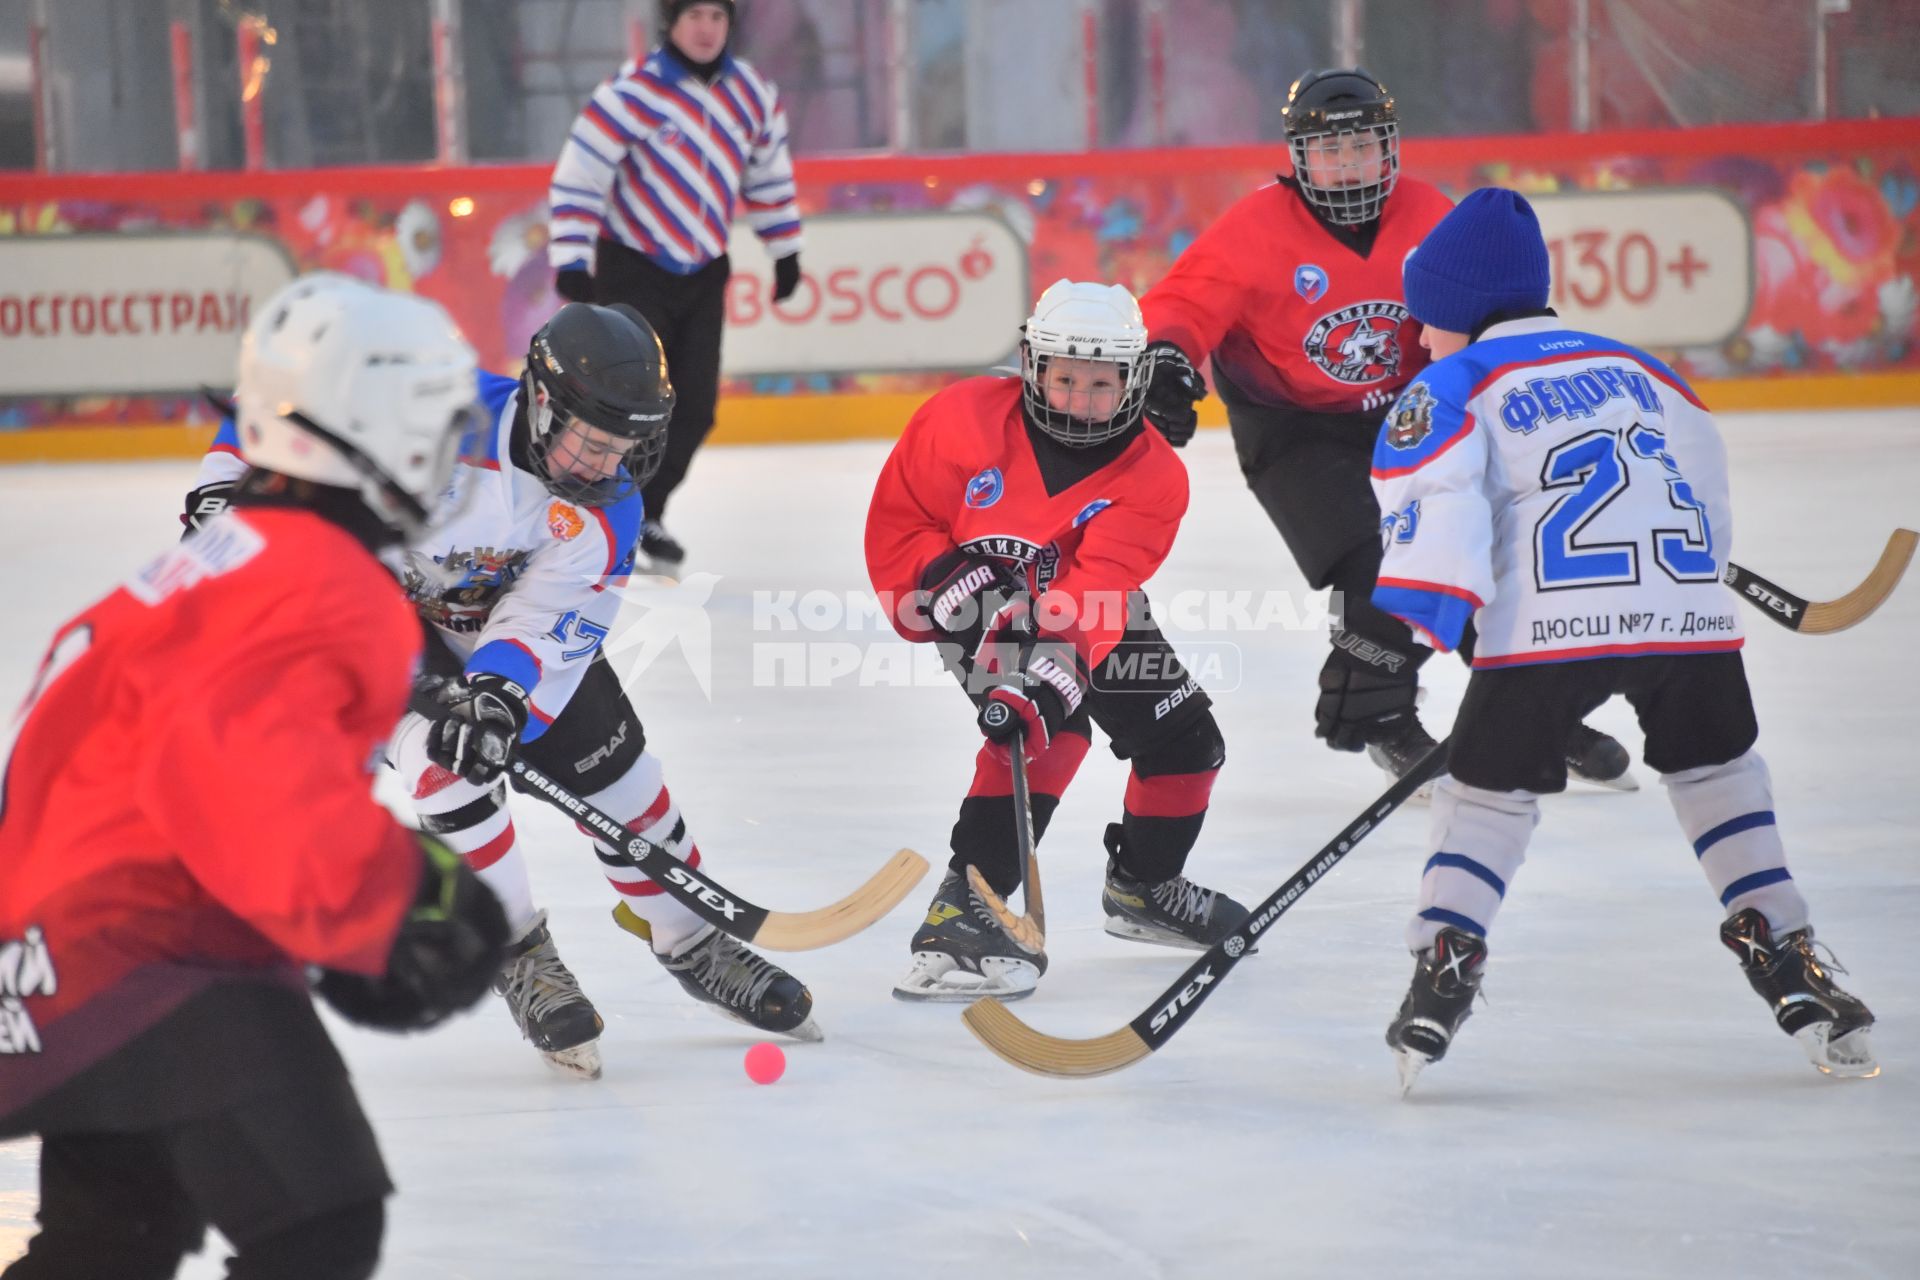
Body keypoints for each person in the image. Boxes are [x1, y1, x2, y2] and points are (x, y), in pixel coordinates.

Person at [0, 275, 509, 1279]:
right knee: (319, 1223)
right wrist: (389, 901)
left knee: (111, 1243)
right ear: (386, 425)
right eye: (440, 428)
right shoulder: (325, 577)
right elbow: (243, 769)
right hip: (152, 948)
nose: (454, 456)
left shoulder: (221, 559)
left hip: (54, 954)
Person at [183, 296, 818, 1081]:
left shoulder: (608, 505)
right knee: (443, 769)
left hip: (497, 641)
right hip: (372, 617)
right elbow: (280, 406)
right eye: (592, 440)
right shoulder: (435, 416)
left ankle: (691, 938)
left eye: (625, 445)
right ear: (543, 404)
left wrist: (498, 696)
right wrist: (224, 487)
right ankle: (519, 948)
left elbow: (543, 617)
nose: (606, 464)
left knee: (620, 780)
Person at [1366, 188, 1877, 1091]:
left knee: (1486, 796)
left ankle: (1444, 965)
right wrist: (1686, 583)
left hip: (1548, 630)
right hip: (1685, 616)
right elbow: (1704, 479)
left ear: (1458, 309)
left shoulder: (1453, 381)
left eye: (1427, 318)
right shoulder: (1645, 367)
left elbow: (1432, 494)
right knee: (1718, 770)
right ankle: (1786, 953)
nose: (1421, 337)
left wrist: (1435, 612)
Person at [1136, 67, 1632, 790]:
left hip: (1413, 416)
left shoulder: (1432, 214)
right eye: (1329, 151)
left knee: (1486, 556)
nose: (1347, 165)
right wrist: (1166, 359)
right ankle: (1387, 722)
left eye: (1362, 147)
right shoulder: (1252, 231)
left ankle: (1536, 710)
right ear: (1299, 158)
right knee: (1377, 568)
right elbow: (1180, 305)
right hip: (1294, 430)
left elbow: (1493, 305)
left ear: (1389, 149)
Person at [865, 279, 1249, 1001]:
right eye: (1065, 378)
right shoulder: (959, 420)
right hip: (971, 594)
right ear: (1033, 365)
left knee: (1186, 743)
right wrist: (938, 578)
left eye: (1101, 385)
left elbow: (1103, 581)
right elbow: (900, 518)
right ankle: (965, 905)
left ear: (1133, 380)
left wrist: (1057, 658)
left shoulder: (1153, 475)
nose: (1078, 400)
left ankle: (1144, 887)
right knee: (1046, 731)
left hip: (1083, 607)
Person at [547, 0, 804, 577]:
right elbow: (580, 173)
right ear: (671, 23)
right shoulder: (631, 92)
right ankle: (588, 513)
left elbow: (769, 176)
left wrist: (784, 248)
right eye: (694, 15)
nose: (706, 28)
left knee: (695, 408)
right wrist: (571, 256)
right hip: (632, 266)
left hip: (704, 270)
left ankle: (645, 513)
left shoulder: (752, 94)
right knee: (623, 402)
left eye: (717, 15)